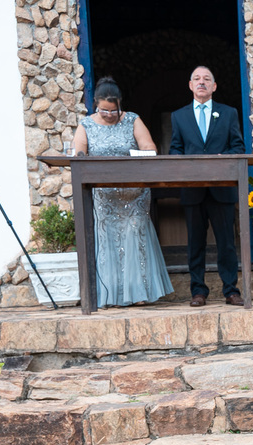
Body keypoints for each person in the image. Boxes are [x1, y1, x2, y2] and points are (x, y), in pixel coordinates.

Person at [69, 77, 171, 308]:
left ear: (120, 105)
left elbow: (149, 147)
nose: (109, 115)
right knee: (109, 241)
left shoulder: (133, 119)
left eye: (113, 111)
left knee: (135, 237)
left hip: (134, 194)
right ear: (95, 103)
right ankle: (111, 295)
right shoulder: (86, 124)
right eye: (104, 110)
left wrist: (144, 151)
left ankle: (139, 293)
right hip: (103, 195)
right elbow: (80, 152)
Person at [169, 66, 245, 307]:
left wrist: (221, 158)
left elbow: (238, 148)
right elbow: (175, 149)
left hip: (221, 187)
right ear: (190, 85)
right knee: (195, 243)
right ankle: (198, 291)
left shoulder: (228, 113)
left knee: (226, 244)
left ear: (214, 86)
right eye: (197, 79)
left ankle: (231, 290)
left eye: (207, 79)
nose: (202, 83)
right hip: (193, 189)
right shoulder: (178, 116)